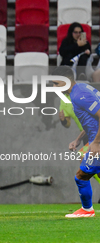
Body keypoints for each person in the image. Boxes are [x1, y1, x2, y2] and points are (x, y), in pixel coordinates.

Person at [52, 66, 100, 217]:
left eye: (56, 84)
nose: (54, 87)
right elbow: (91, 119)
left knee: (81, 176)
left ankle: (87, 210)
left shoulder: (79, 95)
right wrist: (78, 139)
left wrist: (97, 143)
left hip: (97, 142)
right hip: (93, 139)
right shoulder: (80, 89)